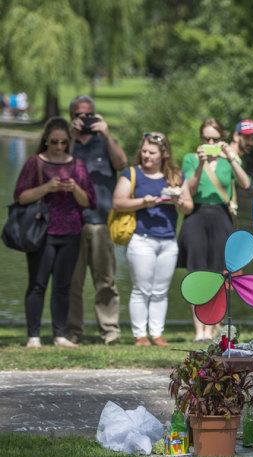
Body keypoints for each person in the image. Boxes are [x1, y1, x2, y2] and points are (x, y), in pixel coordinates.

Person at [14, 117, 96, 348]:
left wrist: (74, 188)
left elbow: (89, 201)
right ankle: (34, 337)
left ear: (69, 142)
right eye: (54, 142)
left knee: (62, 286)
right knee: (38, 284)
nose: (59, 147)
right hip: (43, 232)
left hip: (71, 231)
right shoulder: (35, 163)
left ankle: (60, 335)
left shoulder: (78, 165)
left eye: (63, 142)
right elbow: (21, 196)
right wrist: (47, 188)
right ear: (46, 141)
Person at [112, 132, 193, 346]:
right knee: (141, 288)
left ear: (163, 154)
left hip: (168, 241)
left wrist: (178, 201)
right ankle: (140, 335)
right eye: (144, 151)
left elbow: (188, 206)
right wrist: (142, 203)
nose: (146, 155)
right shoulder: (132, 174)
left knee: (160, 291)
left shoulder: (175, 175)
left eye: (152, 152)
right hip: (141, 239)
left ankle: (157, 334)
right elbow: (118, 203)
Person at [178, 118, 251, 342]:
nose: (211, 142)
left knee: (220, 274)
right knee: (196, 273)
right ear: (201, 140)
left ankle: (213, 326)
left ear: (222, 139)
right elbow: (189, 189)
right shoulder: (191, 159)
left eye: (215, 139)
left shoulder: (228, 160)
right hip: (197, 216)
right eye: (207, 139)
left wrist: (230, 157)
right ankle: (199, 330)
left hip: (221, 216)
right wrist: (201, 164)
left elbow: (246, 183)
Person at [66, 95, 127, 345]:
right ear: (72, 117)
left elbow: (122, 163)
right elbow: (58, 164)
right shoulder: (66, 142)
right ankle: (72, 332)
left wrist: (107, 134)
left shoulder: (104, 142)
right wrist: (70, 137)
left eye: (88, 114)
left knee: (106, 282)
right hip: (71, 223)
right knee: (72, 283)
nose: (84, 119)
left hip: (102, 221)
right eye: (79, 115)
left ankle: (110, 331)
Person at [228, 119, 253, 194]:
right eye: (247, 137)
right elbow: (247, 184)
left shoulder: (235, 158)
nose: (251, 143)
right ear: (236, 136)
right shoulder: (228, 157)